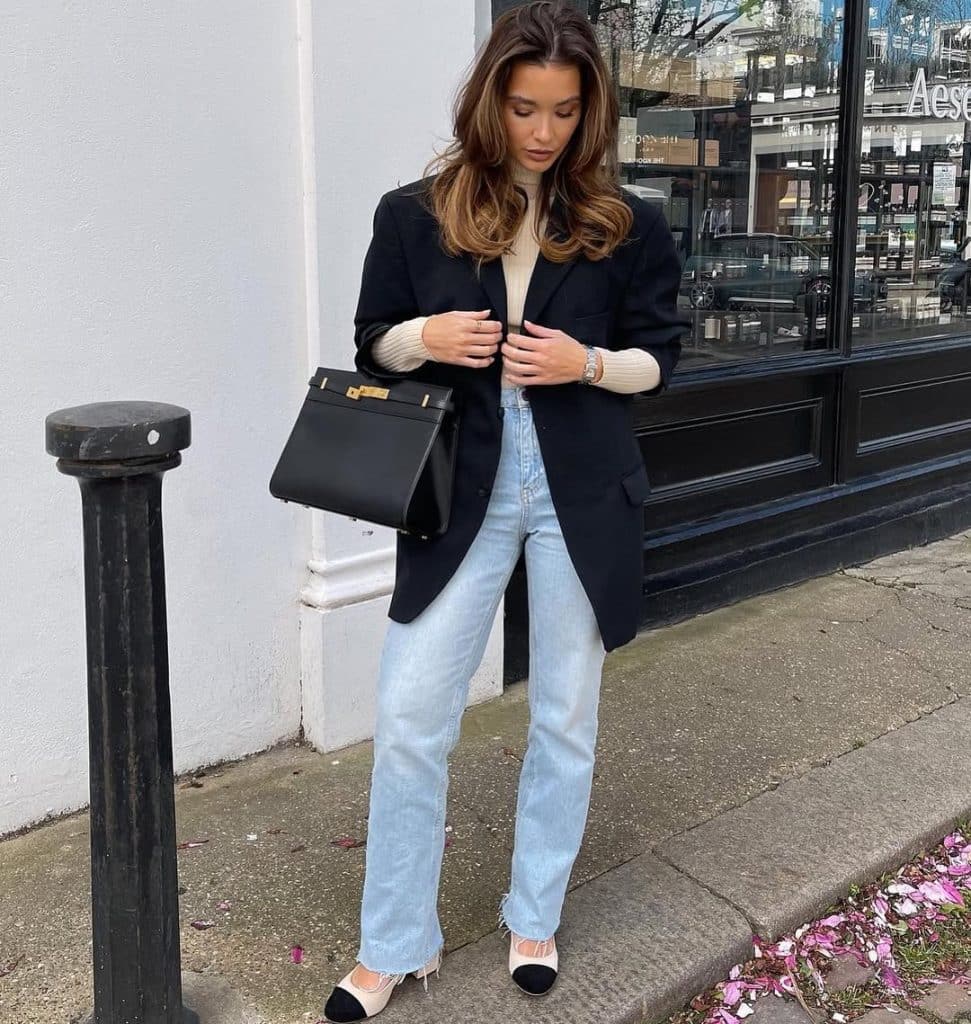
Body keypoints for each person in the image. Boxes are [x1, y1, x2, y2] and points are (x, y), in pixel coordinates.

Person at [323, 3, 687, 1020]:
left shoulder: (625, 221)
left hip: (578, 482)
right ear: (491, 99)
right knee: (407, 719)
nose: (541, 131)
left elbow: (663, 360)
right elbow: (369, 342)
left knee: (563, 714)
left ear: (587, 111)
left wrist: (590, 363)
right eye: (524, 107)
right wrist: (422, 336)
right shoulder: (415, 212)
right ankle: (395, 941)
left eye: (563, 112)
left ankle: (535, 911)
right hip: (461, 482)